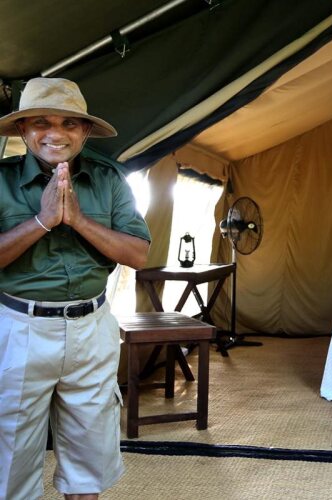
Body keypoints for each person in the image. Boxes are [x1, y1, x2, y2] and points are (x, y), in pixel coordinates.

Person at [0, 77, 151, 499]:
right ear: (23, 129)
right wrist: (43, 220)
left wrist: (79, 220)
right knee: (9, 456)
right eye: (42, 122)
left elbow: (138, 254)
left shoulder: (109, 180)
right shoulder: (1, 182)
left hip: (92, 328)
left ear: (85, 131)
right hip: (18, 327)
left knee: (90, 456)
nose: (56, 134)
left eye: (69, 123)